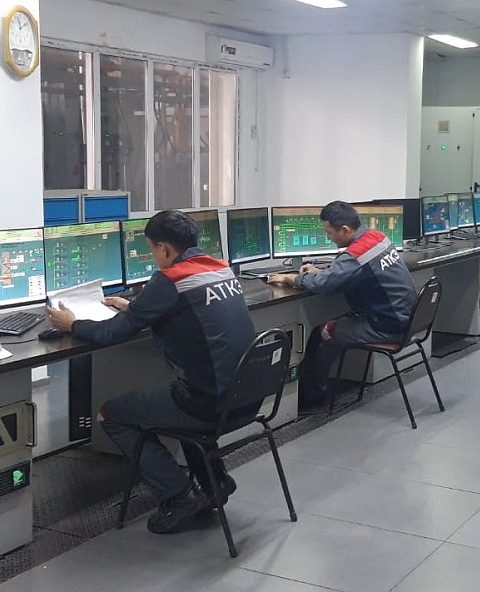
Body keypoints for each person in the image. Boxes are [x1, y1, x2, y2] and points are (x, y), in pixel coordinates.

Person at [47, 210, 255, 534]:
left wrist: (72, 324)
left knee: (111, 415)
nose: (153, 257)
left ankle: (179, 496)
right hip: (247, 398)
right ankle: (215, 482)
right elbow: (187, 306)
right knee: (181, 395)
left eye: (151, 250)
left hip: (207, 406)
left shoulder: (170, 279)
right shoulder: (220, 268)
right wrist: (137, 307)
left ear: (165, 249)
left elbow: (112, 333)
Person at [267, 201, 416, 412]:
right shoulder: (377, 237)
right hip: (406, 319)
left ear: (345, 230)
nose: (328, 237)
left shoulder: (356, 255)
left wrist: (292, 278)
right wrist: (324, 273)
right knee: (338, 322)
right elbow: (347, 273)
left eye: (329, 233)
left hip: (388, 328)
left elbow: (326, 284)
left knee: (321, 335)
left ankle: (312, 397)